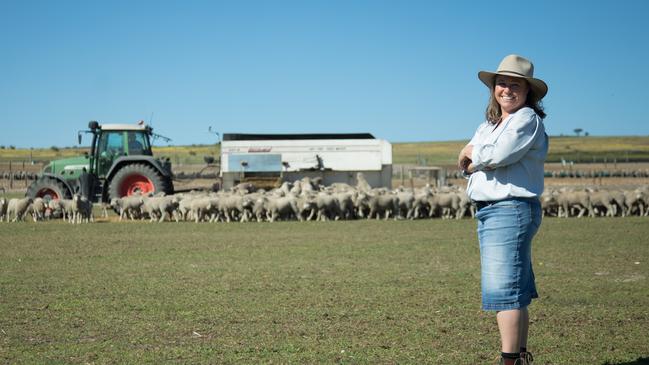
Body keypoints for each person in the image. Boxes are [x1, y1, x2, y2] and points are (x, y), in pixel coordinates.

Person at [457, 54, 548, 365]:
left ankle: (508, 360)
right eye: (501, 83)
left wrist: (474, 153)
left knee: (504, 289)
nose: (506, 90)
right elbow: (466, 163)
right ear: (493, 88)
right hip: (491, 211)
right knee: (515, 287)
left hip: (510, 208)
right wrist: (475, 155)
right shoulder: (490, 124)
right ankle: (519, 358)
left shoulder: (526, 119)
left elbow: (500, 154)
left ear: (528, 91)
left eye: (515, 84)